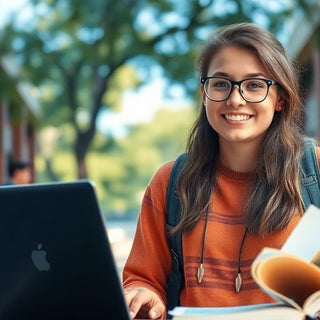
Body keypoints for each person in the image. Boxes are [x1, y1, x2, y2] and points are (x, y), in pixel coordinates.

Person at [122, 22, 320, 319]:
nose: (235, 99)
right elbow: (144, 281)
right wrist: (144, 294)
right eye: (221, 83)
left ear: (280, 98)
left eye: (255, 85)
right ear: (204, 93)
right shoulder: (170, 183)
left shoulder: (315, 170)